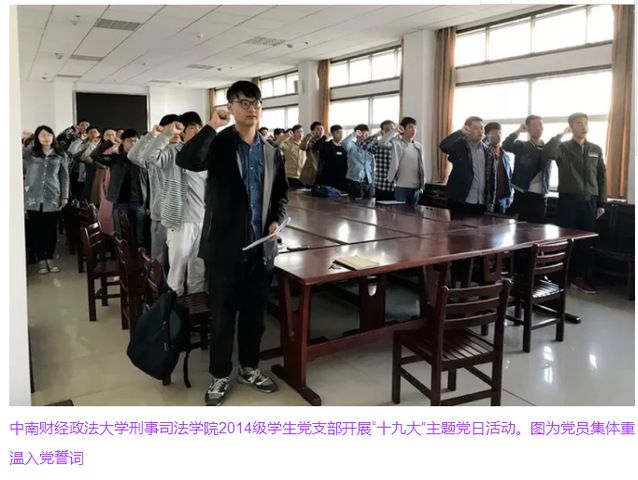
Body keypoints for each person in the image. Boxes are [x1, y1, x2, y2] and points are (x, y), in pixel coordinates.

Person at [177, 80, 288, 406]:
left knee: (255, 317)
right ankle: (220, 374)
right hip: (224, 249)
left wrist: (275, 221)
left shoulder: (271, 151)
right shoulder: (219, 143)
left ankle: (249, 368)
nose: (252, 109)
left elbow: (281, 194)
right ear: (231, 107)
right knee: (223, 317)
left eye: (256, 103)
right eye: (244, 102)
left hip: (260, 248)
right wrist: (211, 126)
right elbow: (187, 160)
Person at [542, 112, 607, 295]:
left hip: (589, 201)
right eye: (579, 123)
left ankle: (579, 278)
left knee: (585, 241)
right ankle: (559, 276)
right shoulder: (563, 147)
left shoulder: (595, 149)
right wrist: (561, 135)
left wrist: (601, 203)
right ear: (571, 127)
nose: (584, 126)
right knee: (565, 240)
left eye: (585, 123)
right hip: (568, 201)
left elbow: (601, 176)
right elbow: (547, 153)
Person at [145, 112, 207, 296]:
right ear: (182, 132)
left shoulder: (205, 155)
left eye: (200, 127)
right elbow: (149, 156)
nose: (197, 131)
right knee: (177, 270)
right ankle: (173, 309)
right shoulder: (173, 153)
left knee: (198, 271)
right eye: (192, 127)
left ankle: (195, 308)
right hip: (180, 221)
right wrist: (166, 134)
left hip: (202, 219)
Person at [128, 114, 179, 268]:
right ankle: (159, 282)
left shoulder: (184, 151)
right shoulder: (153, 156)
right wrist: (152, 135)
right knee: (159, 257)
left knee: (179, 259)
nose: (174, 132)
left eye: (178, 128)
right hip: (160, 214)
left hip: (181, 216)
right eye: (171, 129)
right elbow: (133, 156)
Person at [23, 125, 69, 274]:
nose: (46, 138)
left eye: (49, 135)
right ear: (37, 137)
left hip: (53, 196)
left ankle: (50, 258)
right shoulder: (30, 152)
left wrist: (65, 196)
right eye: (42, 135)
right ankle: (41, 260)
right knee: (36, 230)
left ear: (53, 136)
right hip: (33, 197)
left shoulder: (60, 154)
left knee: (51, 230)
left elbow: (64, 176)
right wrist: (22, 138)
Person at [93, 129, 148, 246]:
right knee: (121, 235)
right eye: (129, 141)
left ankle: (139, 255)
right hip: (120, 201)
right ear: (123, 142)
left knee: (140, 235)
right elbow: (95, 156)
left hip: (139, 201)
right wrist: (108, 143)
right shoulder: (116, 158)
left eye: (135, 141)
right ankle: (121, 256)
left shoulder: (142, 159)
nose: (133, 143)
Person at [440, 116, 492, 215]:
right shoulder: (460, 146)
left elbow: (491, 176)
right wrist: (460, 132)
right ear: (467, 129)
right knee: (458, 225)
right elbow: (444, 146)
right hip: (460, 200)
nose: (480, 131)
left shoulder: (487, 150)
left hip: (481, 202)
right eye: (476, 128)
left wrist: (490, 201)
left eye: (482, 128)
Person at [503, 115, 550, 223]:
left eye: (540, 125)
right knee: (523, 227)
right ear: (528, 128)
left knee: (539, 227)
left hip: (541, 195)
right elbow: (506, 145)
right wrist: (518, 131)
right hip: (523, 192)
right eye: (534, 125)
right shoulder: (522, 146)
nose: (538, 128)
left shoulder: (548, 148)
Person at [380, 116, 425, 206]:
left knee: (414, 214)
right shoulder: (397, 144)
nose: (413, 130)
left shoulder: (419, 146)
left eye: (415, 127)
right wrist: (394, 130)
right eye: (410, 127)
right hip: (401, 187)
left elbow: (421, 167)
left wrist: (422, 185)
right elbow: (382, 143)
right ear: (403, 129)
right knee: (399, 213)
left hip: (416, 188)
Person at [360, 120, 396, 201]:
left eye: (392, 129)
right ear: (383, 131)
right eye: (388, 130)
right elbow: (363, 145)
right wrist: (376, 135)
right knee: (381, 208)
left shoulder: (398, 143)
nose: (391, 132)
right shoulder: (378, 144)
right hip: (382, 185)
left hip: (397, 186)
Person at [483, 122, 513, 214]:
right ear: (487, 135)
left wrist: (510, 196)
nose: (498, 135)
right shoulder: (484, 152)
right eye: (494, 133)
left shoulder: (505, 154)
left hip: (502, 198)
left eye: (499, 132)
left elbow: (509, 176)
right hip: (487, 198)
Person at [342, 123, 374, 199]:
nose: (366, 136)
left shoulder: (369, 147)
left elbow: (372, 165)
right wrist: (354, 134)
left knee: (369, 203)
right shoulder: (352, 146)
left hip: (368, 181)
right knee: (356, 204)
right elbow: (344, 143)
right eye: (364, 134)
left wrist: (373, 180)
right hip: (355, 181)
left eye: (367, 134)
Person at [313, 124, 348, 192]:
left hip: (342, 178)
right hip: (329, 178)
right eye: (337, 133)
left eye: (341, 132)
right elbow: (316, 146)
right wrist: (325, 137)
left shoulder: (344, 146)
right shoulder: (327, 145)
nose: (340, 135)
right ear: (332, 134)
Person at [278, 124, 306, 188]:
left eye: (301, 131)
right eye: (298, 132)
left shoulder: (305, 144)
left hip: (302, 176)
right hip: (290, 176)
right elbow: (278, 145)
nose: (300, 134)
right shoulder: (287, 143)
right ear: (293, 133)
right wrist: (285, 136)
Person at [299, 121, 324, 186]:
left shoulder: (325, 140)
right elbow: (302, 147)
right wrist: (309, 136)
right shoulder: (309, 140)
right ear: (313, 131)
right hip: (312, 168)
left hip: (322, 168)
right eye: (318, 129)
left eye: (322, 129)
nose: (320, 131)